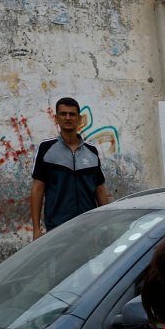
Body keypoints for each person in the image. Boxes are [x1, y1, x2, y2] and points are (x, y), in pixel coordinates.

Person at [28, 97, 108, 238]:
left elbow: (100, 189)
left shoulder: (91, 151)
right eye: (63, 114)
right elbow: (37, 188)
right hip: (58, 227)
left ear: (79, 119)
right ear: (56, 118)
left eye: (72, 114)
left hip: (89, 226)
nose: (68, 118)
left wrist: (105, 223)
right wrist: (36, 228)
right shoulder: (46, 149)